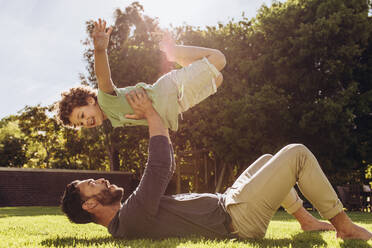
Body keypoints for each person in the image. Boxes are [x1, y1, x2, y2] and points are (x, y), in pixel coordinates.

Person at [60, 90, 372, 241]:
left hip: (229, 201)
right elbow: (159, 167)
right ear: (89, 205)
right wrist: (151, 114)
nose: (99, 179)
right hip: (237, 217)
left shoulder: (127, 216)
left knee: (266, 160)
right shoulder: (128, 219)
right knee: (296, 153)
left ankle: (305, 220)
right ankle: (343, 226)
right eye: (92, 184)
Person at [56, 18, 226, 131]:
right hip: (178, 105)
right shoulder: (114, 120)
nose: (86, 122)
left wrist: (100, 50)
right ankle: (178, 58)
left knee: (218, 59)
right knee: (217, 79)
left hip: (169, 90)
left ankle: (174, 53)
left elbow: (103, 78)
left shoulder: (105, 100)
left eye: (82, 115)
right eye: (80, 123)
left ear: (90, 100)